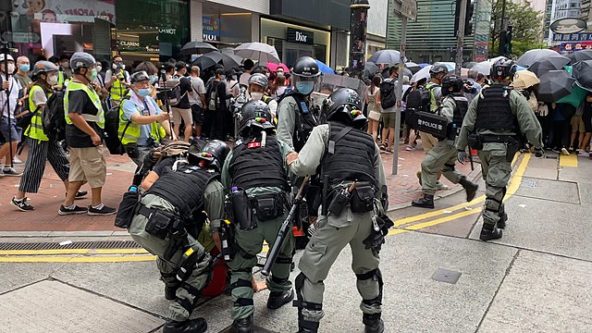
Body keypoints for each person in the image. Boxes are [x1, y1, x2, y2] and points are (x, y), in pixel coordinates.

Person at [286, 88, 388, 333]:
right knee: (368, 270)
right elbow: (381, 185)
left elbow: (305, 166)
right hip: (369, 214)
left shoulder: (323, 131)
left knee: (311, 273)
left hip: (339, 214)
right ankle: (373, 322)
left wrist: (290, 158)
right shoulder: (369, 140)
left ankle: (308, 328)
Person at [129, 141, 228, 333]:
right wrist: (227, 257)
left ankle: (172, 287)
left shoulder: (178, 169)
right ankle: (178, 321)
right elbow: (217, 232)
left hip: (136, 221)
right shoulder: (213, 184)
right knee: (201, 261)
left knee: (170, 249)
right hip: (161, 225)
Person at [220, 100, 295, 332]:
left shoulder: (236, 152)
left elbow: (226, 184)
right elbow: (294, 173)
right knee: (283, 252)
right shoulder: (280, 145)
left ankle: (242, 319)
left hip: (245, 215)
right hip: (278, 212)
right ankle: (277, 294)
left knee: (241, 263)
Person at [456, 59, 544, 241]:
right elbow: (530, 124)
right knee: (496, 184)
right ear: (511, 76)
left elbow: (467, 123)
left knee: (493, 182)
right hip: (503, 148)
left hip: (482, 148)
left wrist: (460, 147)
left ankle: (499, 215)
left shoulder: (481, 95)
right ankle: (488, 228)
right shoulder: (514, 97)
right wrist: (538, 145)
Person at [11, 61, 78, 211]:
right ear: (42, 75)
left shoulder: (47, 88)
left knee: (62, 161)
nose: (54, 77)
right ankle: (19, 198)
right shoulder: (37, 90)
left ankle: (72, 190)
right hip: (38, 135)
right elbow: (49, 109)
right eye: (51, 74)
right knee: (34, 166)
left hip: (49, 133)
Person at [60, 52, 116, 216]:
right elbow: (73, 115)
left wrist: (99, 90)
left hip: (76, 138)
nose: (94, 70)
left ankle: (67, 205)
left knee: (77, 171)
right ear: (82, 70)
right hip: (84, 138)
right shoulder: (78, 91)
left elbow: (101, 100)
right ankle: (96, 205)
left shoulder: (81, 86)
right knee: (95, 170)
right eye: (91, 67)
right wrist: (93, 134)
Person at [412, 75, 479, 209]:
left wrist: (436, 120)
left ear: (449, 88)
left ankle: (428, 197)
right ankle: (467, 184)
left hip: (448, 141)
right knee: (446, 168)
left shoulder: (449, 100)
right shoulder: (464, 99)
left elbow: (446, 118)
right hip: (459, 141)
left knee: (428, 165)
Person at [119, 71, 172, 166]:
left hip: (153, 142)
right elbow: (137, 119)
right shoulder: (128, 101)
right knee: (153, 168)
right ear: (133, 86)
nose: (146, 86)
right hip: (137, 146)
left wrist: (172, 135)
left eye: (147, 83)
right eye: (142, 83)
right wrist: (158, 117)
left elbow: (162, 118)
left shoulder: (149, 100)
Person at [276, 56, 321, 152]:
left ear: (315, 81)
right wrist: (291, 157)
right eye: (302, 79)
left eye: (309, 79)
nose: (305, 82)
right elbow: (283, 136)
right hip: (297, 159)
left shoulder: (310, 102)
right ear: (295, 79)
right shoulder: (289, 103)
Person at [0, 53, 23, 177]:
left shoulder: (14, 79)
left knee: (13, 140)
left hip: (11, 114)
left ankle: (8, 166)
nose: (9, 65)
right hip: (2, 114)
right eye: (5, 63)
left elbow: (17, 94)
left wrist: (19, 101)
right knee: (13, 140)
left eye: (11, 63)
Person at [420, 64, 449, 152]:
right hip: (434, 124)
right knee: (440, 152)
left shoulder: (425, 86)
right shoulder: (438, 89)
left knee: (428, 153)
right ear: (440, 75)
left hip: (423, 122)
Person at [169, 62, 193, 143]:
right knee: (188, 124)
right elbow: (191, 92)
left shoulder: (171, 78)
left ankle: (175, 142)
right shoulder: (185, 80)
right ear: (183, 69)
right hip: (184, 105)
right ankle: (186, 142)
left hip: (173, 103)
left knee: (176, 124)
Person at [378, 66, 399, 152]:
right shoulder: (397, 83)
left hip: (384, 108)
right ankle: (389, 147)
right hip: (393, 108)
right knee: (392, 128)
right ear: (394, 72)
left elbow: (380, 95)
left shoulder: (383, 82)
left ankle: (383, 143)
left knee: (385, 127)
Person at [205, 68, 229, 140]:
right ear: (218, 75)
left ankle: (211, 136)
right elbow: (223, 96)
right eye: (222, 75)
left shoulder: (211, 82)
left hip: (212, 105)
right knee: (220, 122)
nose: (223, 76)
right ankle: (219, 137)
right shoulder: (222, 84)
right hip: (220, 106)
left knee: (213, 122)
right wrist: (231, 95)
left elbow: (207, 93)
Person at [188, 66, 207, 139]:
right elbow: (202, 94)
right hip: (197, 103)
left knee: (189, 121)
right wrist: (204, 104)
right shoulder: (199, 81)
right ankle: (198, 136)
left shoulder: (186, 79)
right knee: (198, 121)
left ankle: (190, 136)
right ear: (196, 71)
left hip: (187, 103)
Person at [366, 75, 382, 143]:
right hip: (375, 109)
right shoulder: (378, 90)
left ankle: (367, 142)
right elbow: (377, 101)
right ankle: (373, 143)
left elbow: (366, 100)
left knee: (369, 129)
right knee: (375, 130)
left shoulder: (368, 88)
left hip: (369, 107)